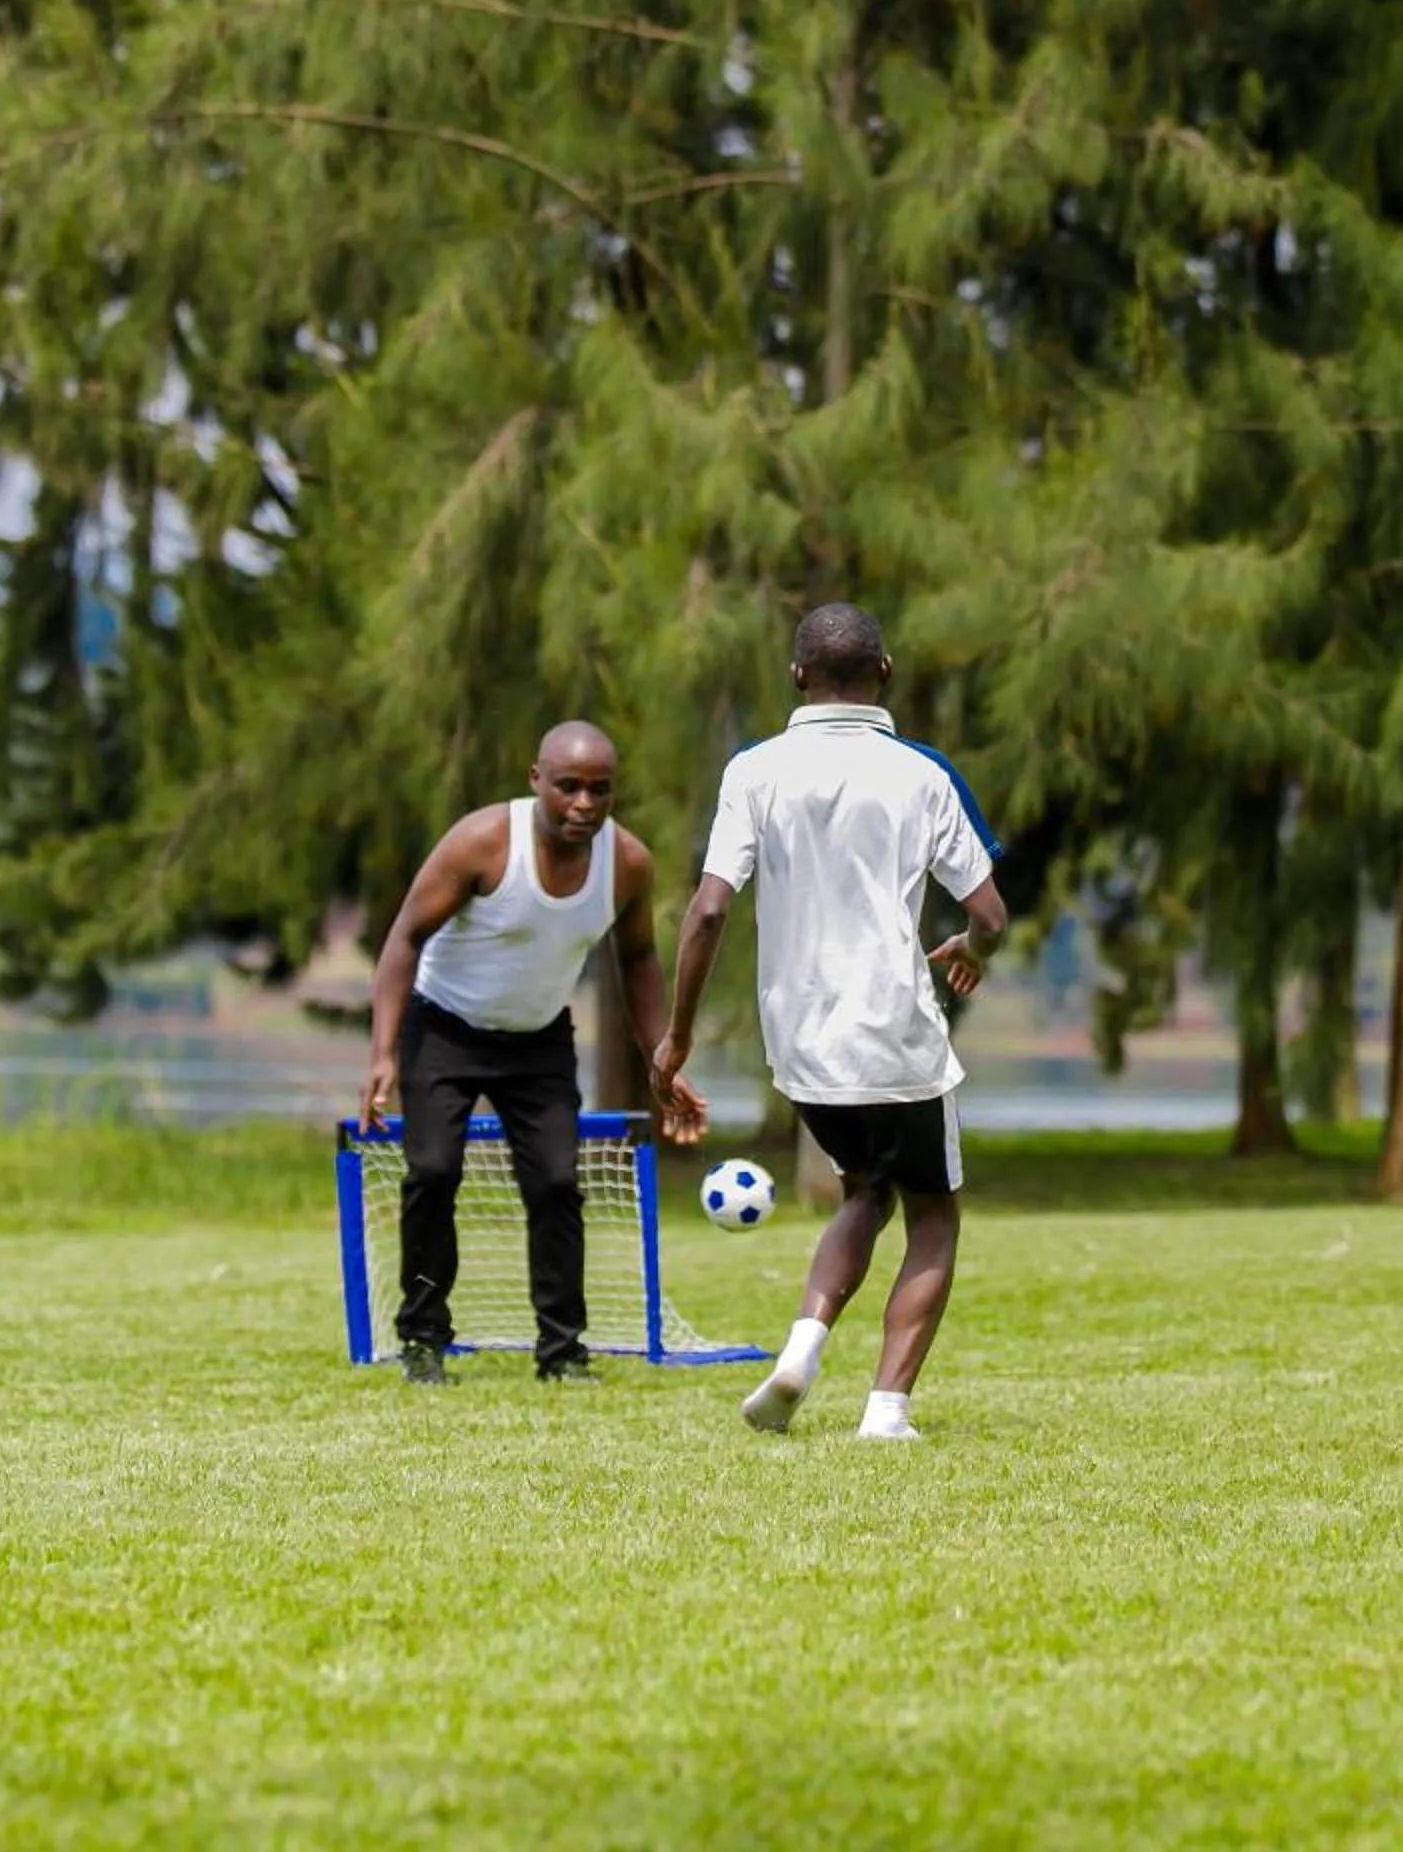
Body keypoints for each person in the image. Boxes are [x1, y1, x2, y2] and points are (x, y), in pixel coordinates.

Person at [651, 604, 1009, 1442]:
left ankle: (803, 1350)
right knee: (933, 1213)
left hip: (800, 1039)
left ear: (797, 677)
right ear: (885, 673)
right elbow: (987, 910)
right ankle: (886, 1410)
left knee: (867, 1189)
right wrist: (971, 946)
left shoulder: (753, 770)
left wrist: (677, 1035)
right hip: (895, 1033)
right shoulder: (923, 774)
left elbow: (707, 911)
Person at [361, 721, 706, 1387]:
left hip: (539, 1040)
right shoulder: (483, 842)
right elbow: (404, 938)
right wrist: (383, 1052)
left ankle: (563, 1352)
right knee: (432, 1173)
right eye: (569, 787)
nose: (584, 804)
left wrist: (661, 1061)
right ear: (535, 780)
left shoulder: (627, 863)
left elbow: (636, 958)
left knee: (554, 1183)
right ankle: (424, 1340)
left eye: (600, 790)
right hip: (444, 1029)